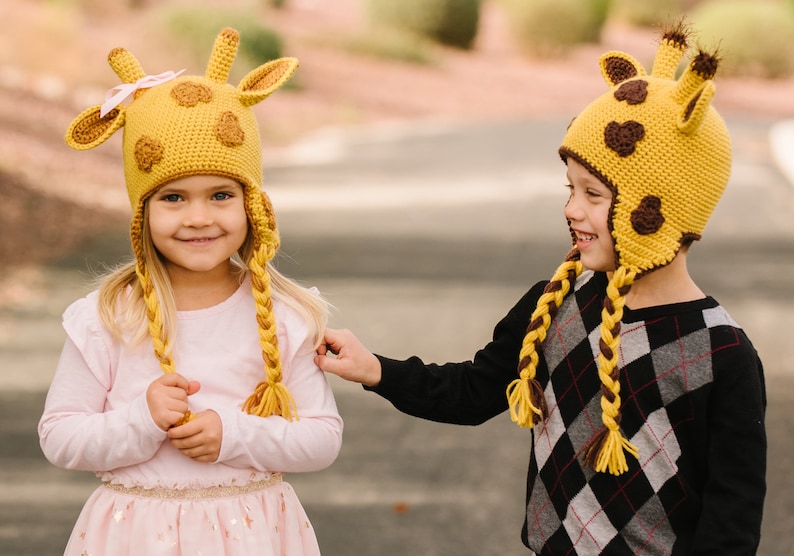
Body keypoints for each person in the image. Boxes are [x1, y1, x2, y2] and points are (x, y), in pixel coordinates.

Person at [315, 23, 766, 555]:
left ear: (660, 209)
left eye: (594, 193)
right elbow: (473, 392)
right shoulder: (555, 304)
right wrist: (377, 370)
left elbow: (731, 522)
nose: (572, 209)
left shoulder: (723, 354)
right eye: (569, 188)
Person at [38, 28, 343, 556]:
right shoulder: (109, 317)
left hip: (253, 535)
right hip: (134, 537)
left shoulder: (286, 314)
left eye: (221, 194)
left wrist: (234, 434)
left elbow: (321, 439)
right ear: (142, 214)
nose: (198, 217)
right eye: (174, 197)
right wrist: (141, 420)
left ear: (251, 204)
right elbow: (60, 436)